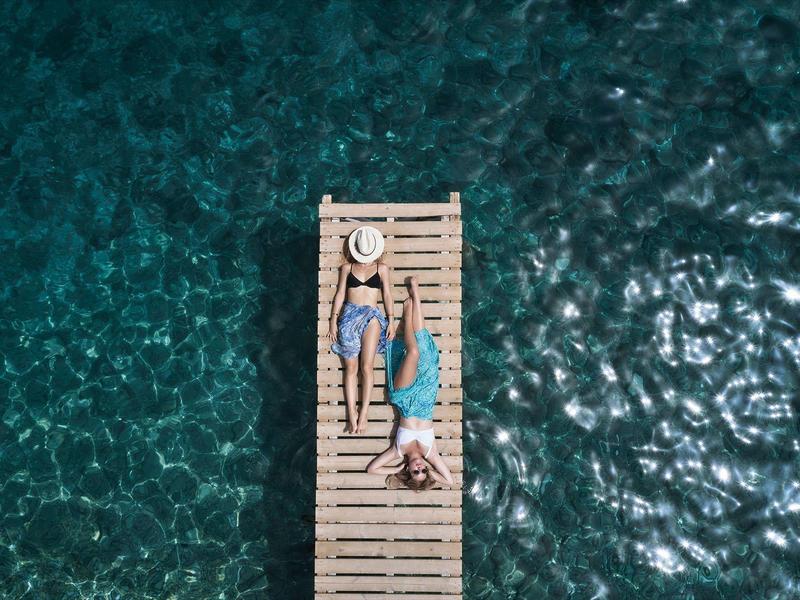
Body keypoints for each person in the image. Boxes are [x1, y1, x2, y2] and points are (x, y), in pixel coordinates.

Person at [366, 276, 454, 491]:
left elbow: (372, 469)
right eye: (424, 471)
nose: (420, 468)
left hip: (404, 397)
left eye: (416, 472)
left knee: (413, 353)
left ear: (409, 471)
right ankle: (415, 295)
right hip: (425, 396)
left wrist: (397, 470)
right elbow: (451, 481)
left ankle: (407, 313)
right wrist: (432, 474)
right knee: (426, 352)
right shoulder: (431, 452)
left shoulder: (397, 452)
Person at [326, 226, 396, 434]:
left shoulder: (381, 268)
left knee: (367, 367)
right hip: (348, 317)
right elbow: (340, 294)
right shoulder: (347, 268)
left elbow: (387, 295)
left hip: (372, 316)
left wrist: (391, 320)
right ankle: (351, 414)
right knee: (351, 369)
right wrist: (333, 319)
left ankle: (363, 413)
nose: (365, 259)